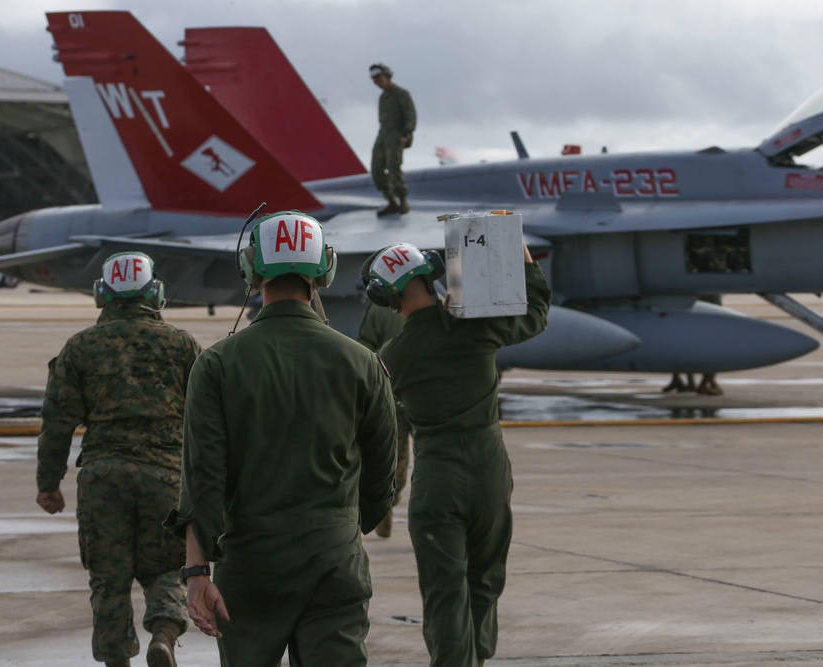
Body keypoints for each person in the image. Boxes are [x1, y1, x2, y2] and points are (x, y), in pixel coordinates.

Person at [164, 211, 398, 666]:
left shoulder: (216, 365)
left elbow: (203, 478)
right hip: (335, 560)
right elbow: (381, 479)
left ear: (251, 269)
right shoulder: (363, 362)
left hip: (251, 566)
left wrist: (196, 572)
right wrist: (340, 530)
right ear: (324, 270)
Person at [364, 241, 550, 667]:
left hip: (438, 477)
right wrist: (518, 252)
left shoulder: (394, 355)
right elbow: (536, 314)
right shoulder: (477, 328)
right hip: (490, 470)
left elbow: (362, 413)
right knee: (484, 580)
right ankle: (477, 659)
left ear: (385, 297)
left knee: (446, 592)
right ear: (430, 277)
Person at [36, 251, 202, 667]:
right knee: (167, 568)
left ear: (102, 296)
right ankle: (163, 634)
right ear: (156, 294)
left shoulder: (79, 348)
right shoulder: (182, 345)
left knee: (108, 581)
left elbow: (56, 423)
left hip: (102, 478)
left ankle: (116, 661)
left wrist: (48, 483)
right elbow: (210, 417)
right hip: (167, 476)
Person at [357, 298, 411, 538]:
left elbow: (366, 348)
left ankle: (386, 503)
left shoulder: (378, 310)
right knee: (432, 454)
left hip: (390, 396)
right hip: (425, 397)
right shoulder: (436, 302)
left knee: (394, 456)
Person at [369, 63, 416, 217]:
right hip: (383, 135)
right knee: (376, 169)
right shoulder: (383, 97)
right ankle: (391, 202)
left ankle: (402, 200)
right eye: (375, 81)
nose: (378, 83)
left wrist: (406, 134)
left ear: (387, 76)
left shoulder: (401, 94)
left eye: (380, 79)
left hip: (397, 136)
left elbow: (410, 115)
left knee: (393, 168)